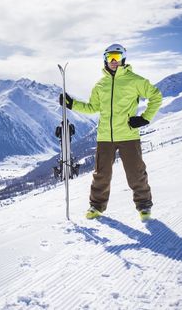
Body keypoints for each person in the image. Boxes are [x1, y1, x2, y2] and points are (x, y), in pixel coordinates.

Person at [59, 44, 162, 221]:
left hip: (128, 135)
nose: (113, 61)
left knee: (136, 173)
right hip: (105, 137)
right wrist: (71, 104)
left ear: (124, 58)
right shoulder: (101, 85)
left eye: (117, 56)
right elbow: (93, 107)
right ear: (105, 59)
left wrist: (145, 118)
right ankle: (96, 207)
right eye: (109, 57)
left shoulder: (135, 81)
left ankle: (144, 207)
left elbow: (156, 97)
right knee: (101, 174)